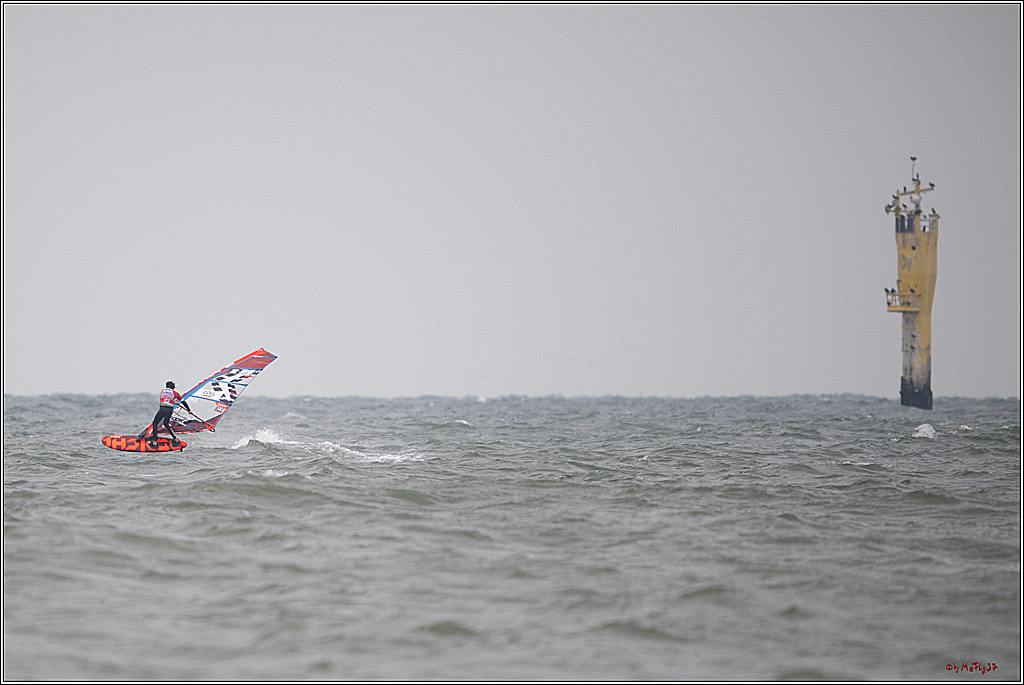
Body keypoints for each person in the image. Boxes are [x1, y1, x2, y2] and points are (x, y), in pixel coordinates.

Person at [139, 381, 191, 447]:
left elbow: (166, 398)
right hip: (169, 410)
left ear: (166, 386)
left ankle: (155, 440)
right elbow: (183, 402)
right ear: (173, 387)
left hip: (162, 408)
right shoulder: (175, 393)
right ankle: (175, 438)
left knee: (155, 423)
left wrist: (174, 401)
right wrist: (189, 410)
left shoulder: (163, 391)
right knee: (166, 424)